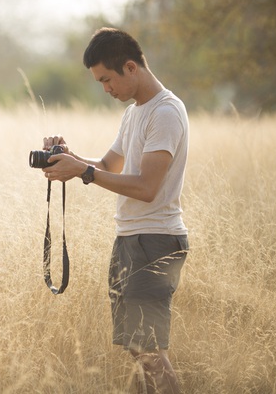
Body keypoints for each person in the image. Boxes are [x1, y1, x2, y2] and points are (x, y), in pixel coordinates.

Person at [42, 27, 189, 394]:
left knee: (149, 352)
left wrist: (84, 173)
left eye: (107, 80)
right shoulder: (133, 113)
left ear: (130, 67)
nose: (105, 89)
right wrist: (69, 158)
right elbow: (108, 164)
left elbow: (146, 186)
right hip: (130, 238)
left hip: (156, 241)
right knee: (140, 352)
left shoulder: (166, 112)